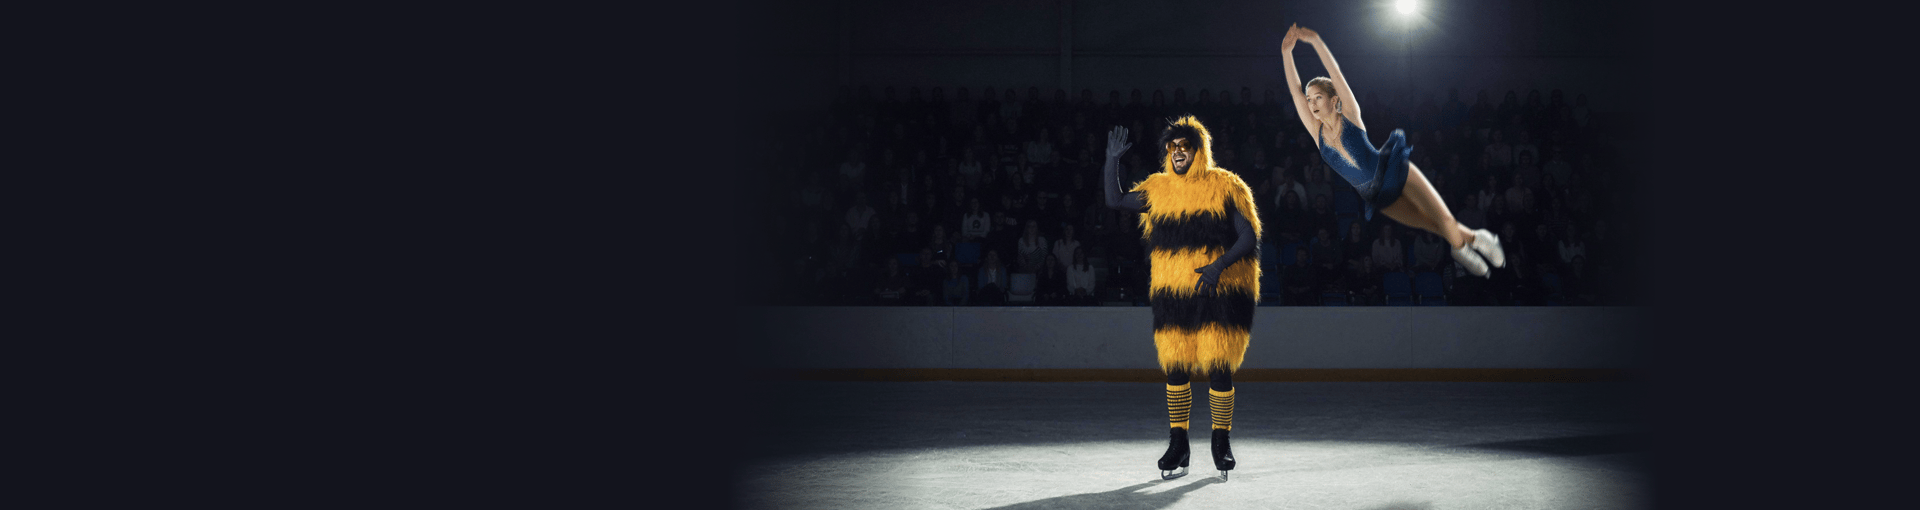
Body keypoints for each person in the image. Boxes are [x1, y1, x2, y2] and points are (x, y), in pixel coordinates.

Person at [1101, 117, 1259, 480]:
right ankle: (1178, 443)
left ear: (1199, 151)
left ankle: (1221, 442)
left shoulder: (1224, 185)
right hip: (1172, 295)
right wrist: (1112, 161)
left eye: (1185, 146)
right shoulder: (1159, 189)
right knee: (1175, 368)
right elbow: (1114, 199)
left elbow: (1248, 236)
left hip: (1216, 294)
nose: (1177, 152)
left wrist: (1219, 266)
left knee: (1218, 367)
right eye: (1172, 147)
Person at [1281, 24, 1505, 277]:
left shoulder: (1350, 114)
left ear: (1334, 99)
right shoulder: (1316, 132)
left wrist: (1315, 41)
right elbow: (1295, 92)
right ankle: (1478, 239)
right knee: (1431, 225)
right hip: (1374, 196)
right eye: (1309, 99)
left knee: (1444, 220)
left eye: (1318, 97)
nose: (1311, 103)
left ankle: (1466, 248)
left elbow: (1335, 72)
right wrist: (1286, 52)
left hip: (1392, 170)